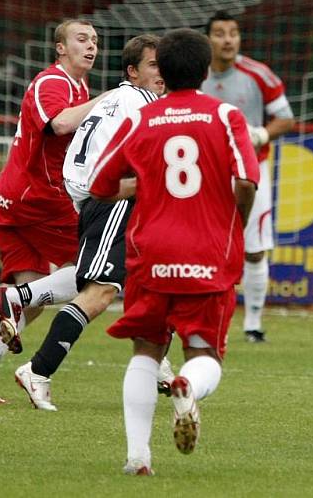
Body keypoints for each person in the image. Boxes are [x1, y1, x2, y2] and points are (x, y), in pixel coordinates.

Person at [88, 27, 259, 475]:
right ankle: (186, 384)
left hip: (150, 253)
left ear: (161, 71)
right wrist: (236, 221)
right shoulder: (225, 115)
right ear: (205, 70)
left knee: (145, 351)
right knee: (205, 356)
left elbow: (100, 186)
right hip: (206, 252)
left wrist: (147, 183)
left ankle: (137, 457)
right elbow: (245, 180)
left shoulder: (141, 119)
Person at [0, 19, 110, 403]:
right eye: (81, 39)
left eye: (94, 40)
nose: (91, 46)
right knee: (98, 273)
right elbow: (58, 124)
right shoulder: (52, 82)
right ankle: (158, 366)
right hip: (35, 201)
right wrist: (107, 101)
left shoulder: (77, 86)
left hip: (17, 201)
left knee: (34, 297)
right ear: (60, 48)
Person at [8, 34, 169, 411]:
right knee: (99, 291)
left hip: (101, 199)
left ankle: (158, 362)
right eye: (153, 65)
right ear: (133, 71)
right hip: (113, 201)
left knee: (153, 281)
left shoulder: (114, 99)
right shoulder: (143, 104)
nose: (162, 73)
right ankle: (38, 369)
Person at [202, 10, 295, 342]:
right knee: (204, 248)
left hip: (251, 171)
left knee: (254, 250)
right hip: (204, 172)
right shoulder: (194, 74)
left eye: (233, 32)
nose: (228, 39)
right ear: (208, 39)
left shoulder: (259, 75)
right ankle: (205, 319)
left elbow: (285, 119)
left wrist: (261, 135)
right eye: (220, 33)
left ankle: (253, 325)